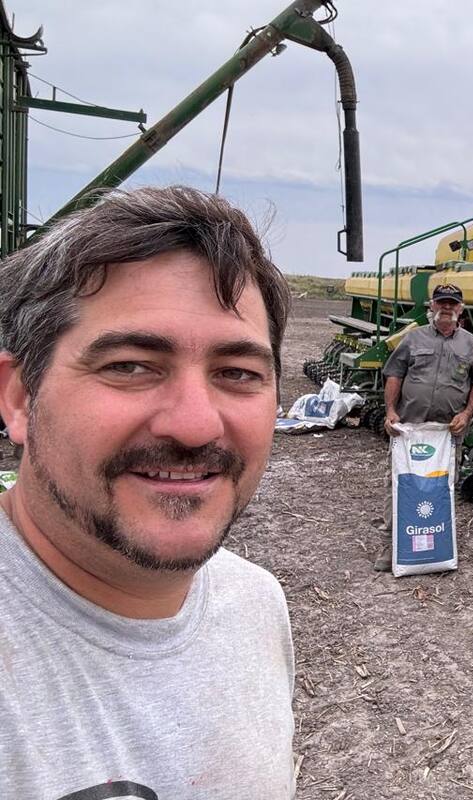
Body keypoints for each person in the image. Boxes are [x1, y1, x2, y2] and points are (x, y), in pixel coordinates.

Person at [0, 186, 296, 798]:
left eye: (237, 374)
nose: (194, 424)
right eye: (131, 365)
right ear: (20, 397)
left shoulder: (256, 605)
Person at [373, 283, 473, 571]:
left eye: (452, 304)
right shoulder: (413, 339)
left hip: (447, 432)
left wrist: (467, 413)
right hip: (410, 429)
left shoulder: (472, 344)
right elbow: (394, 375)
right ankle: (391, 546)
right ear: (432, 307)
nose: (446, 308)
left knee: (442, 487)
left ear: (460, 309)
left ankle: (439, 544)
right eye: (441, 303)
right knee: (400, 485)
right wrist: (390, 412)